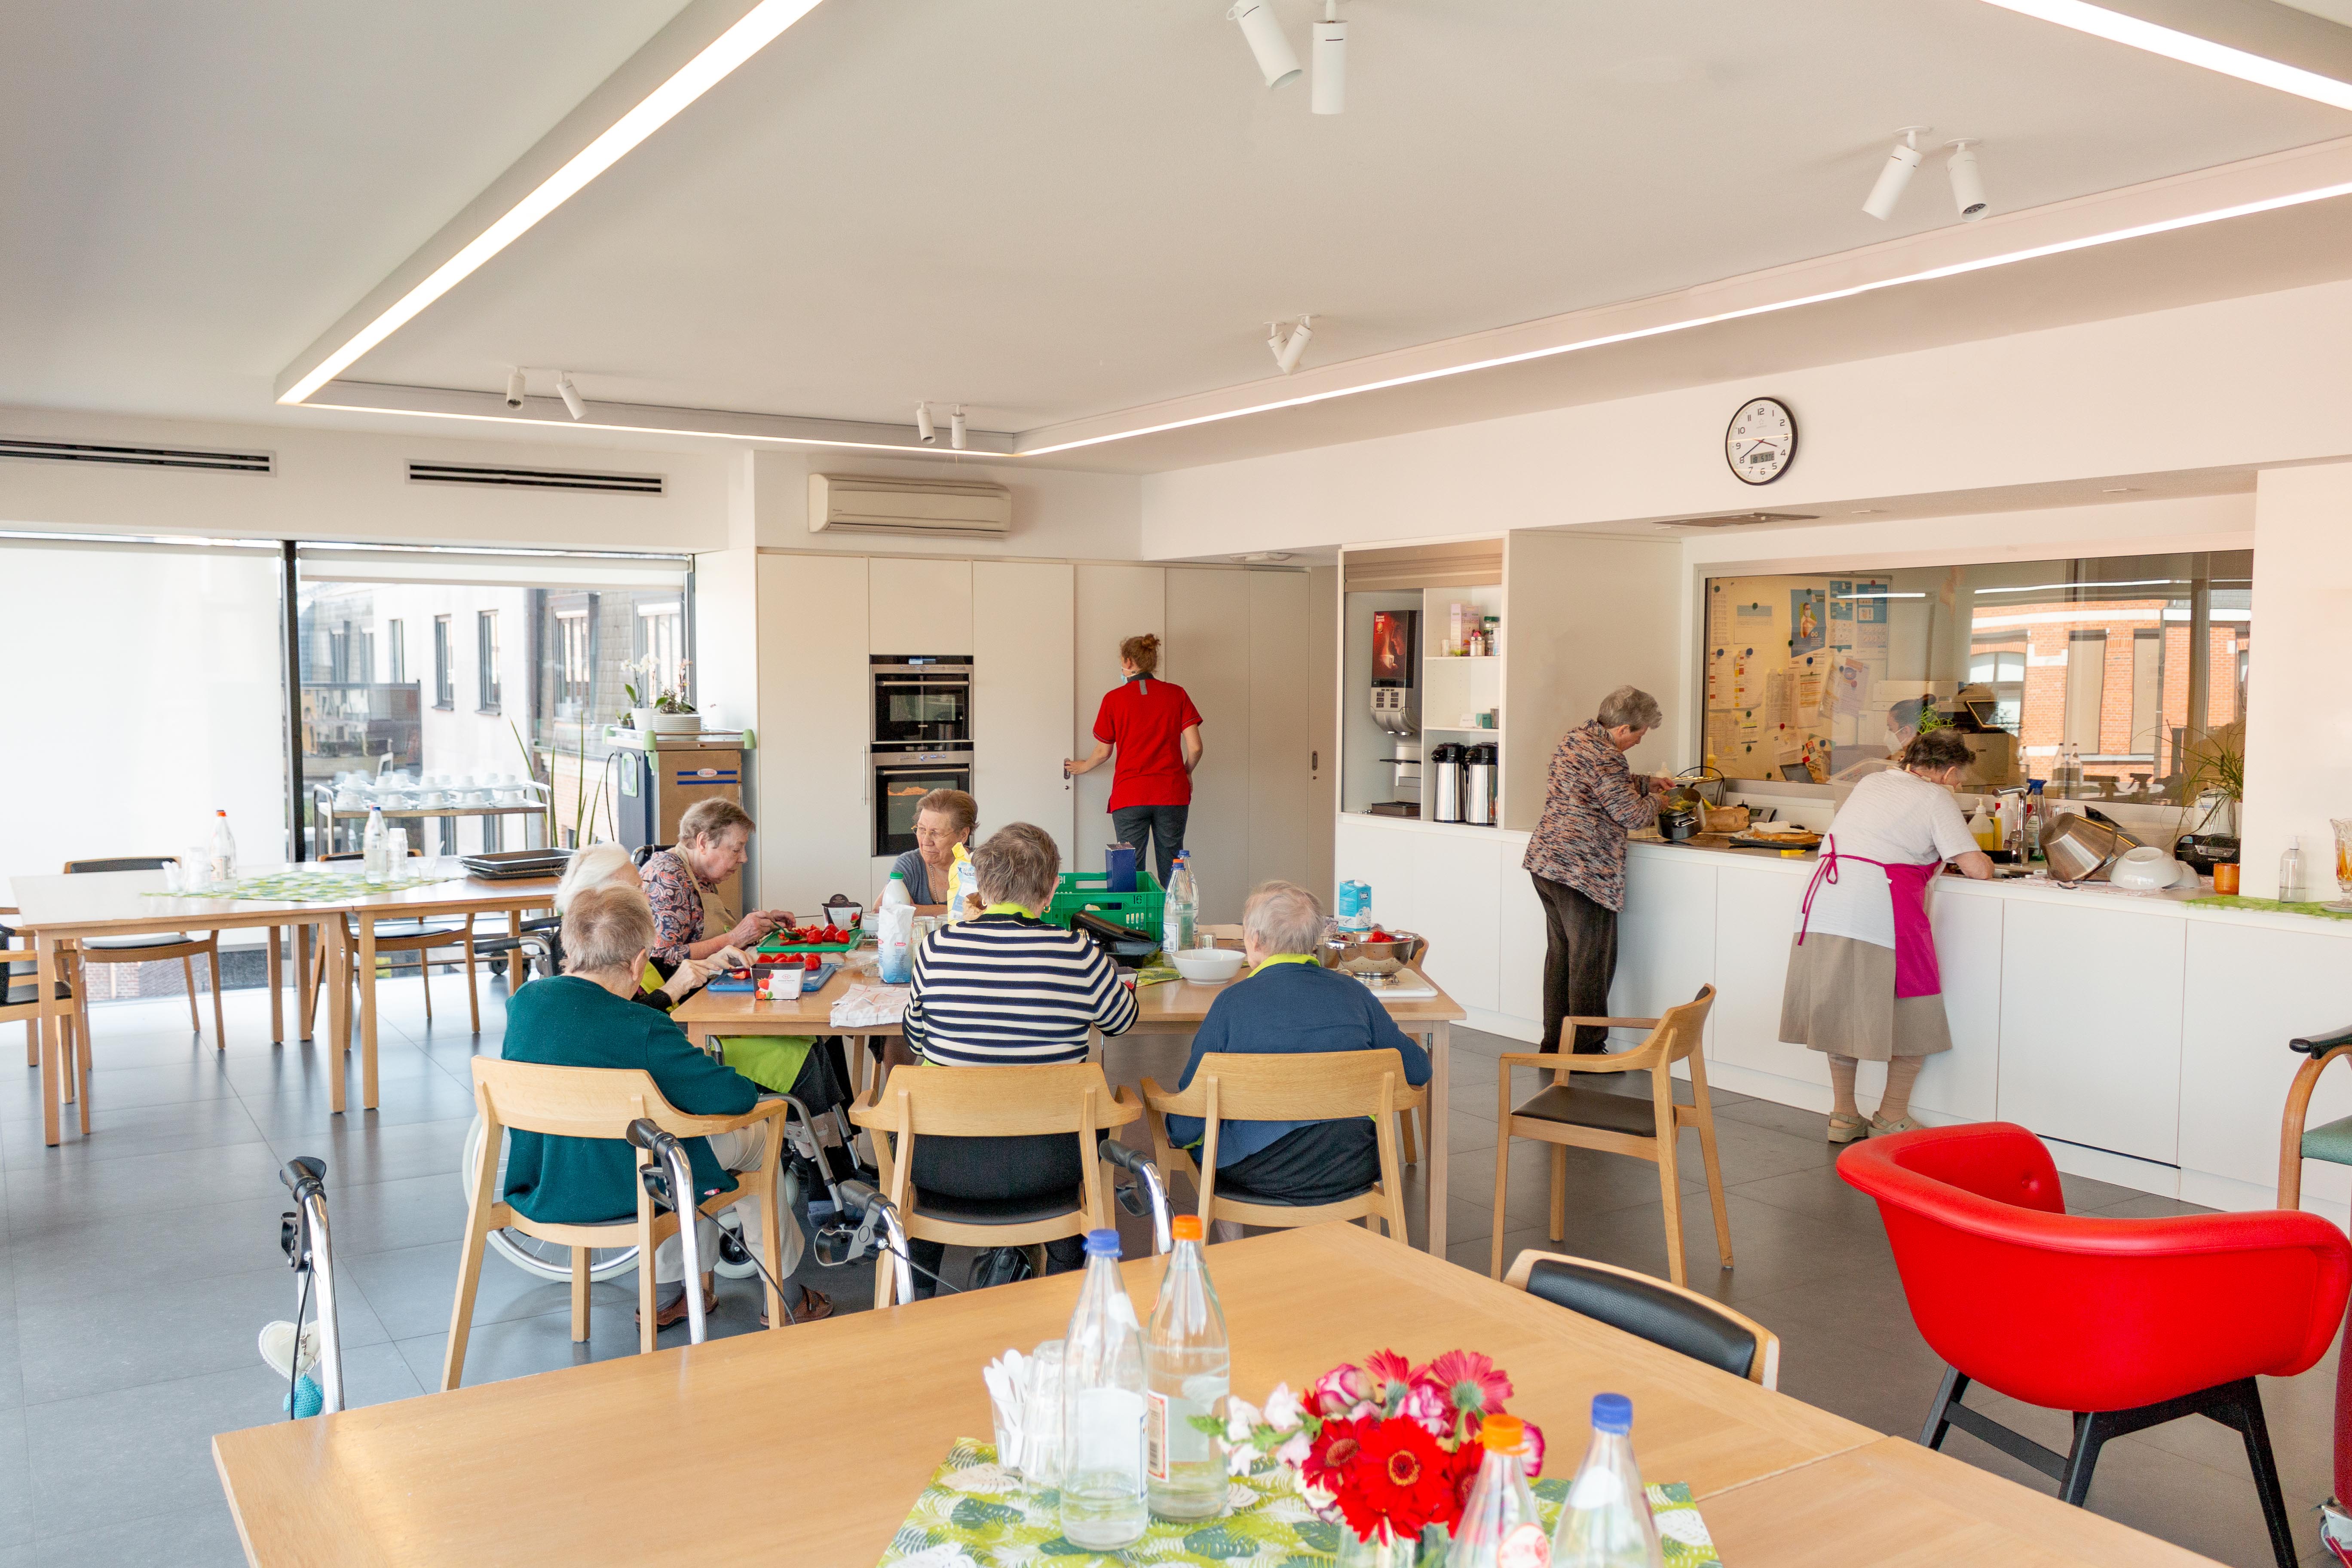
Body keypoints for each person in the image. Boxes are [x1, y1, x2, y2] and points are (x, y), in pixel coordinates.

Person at [499, 884, 831, 1327]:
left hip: (547, 1185)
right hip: (629, 1187)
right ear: (639, 962)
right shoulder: (643, 1026)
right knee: (756, 1134)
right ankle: (786, 1297)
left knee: (667, 1139)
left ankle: (668, 1295)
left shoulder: (524, 1004)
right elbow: (731, 1098)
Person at [900, 822, 1139, 1293]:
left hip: (945, 1164)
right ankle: (1065, 1282)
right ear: (1051, 890)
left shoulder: (936, 948)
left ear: (982, 888)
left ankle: (919, 1295)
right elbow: (1122, 1021)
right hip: (1052, 1163)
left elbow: (915, 1037)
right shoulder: (1078, 953)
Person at [1161, 882, 1431, 1238]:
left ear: (1255, 940)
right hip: (1353, 1163)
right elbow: (1419, 1069)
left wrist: (1172, 1128)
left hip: (1256, 1169)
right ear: (1314, 940)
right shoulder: (1355, 993)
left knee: (1210, 1136)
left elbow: (1186, 1124)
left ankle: (1232, 1264)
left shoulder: (1232, 1004)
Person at [1780, 727, 1994, 1144]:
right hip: (1880, 907)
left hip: (1826, 902)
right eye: (1959, 777)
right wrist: (1982, 854)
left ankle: (1844, 1115)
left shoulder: (1872, 781)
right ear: (1948, 771)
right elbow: (1976, 868)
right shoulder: (1936, 797)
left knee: (1840, 1007)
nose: (1959, 785)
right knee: (1914, 1009)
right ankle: (1892, 1115)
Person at [1522, 686, 1675, 1054]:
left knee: (1561, 959)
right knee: (1591, 963)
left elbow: (1591, 785)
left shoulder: (1577, 738)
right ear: (1623, 729)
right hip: (1583, 873)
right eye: (1640, 734)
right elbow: (1632, 815)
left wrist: (1641, 782)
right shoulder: (1608, 757)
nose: (1640, 741)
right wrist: (1657, 799)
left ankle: (1555, 1043)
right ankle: (1587, 1051)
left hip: (1548, 863)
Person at [1066, 633, 1203, 888]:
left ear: (1128, 662)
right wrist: (1187, 773)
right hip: (1171, 793)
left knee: (1129, 874)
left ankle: (1132, 927)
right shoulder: (1177, 694)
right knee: (1173, 869)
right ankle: (1174, 924)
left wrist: (1081, 766)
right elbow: (1195, 747)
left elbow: (1103, 752)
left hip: (1130, 797)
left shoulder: (1113, 700)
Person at [639, 799, 793, 967]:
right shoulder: (667, 877)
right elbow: (660, 959)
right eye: (736, 850)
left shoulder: (699, 873)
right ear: (703, 843)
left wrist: (761, 928)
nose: (744, 858)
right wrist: (736, 938)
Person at [888, 787, 978, 907]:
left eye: (936, 833)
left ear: (963, 835)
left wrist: (915, 910)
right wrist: (962, 912)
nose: (926, 841)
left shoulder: (984, 865)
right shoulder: (910, 864)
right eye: (921, 829)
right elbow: (884, 910)